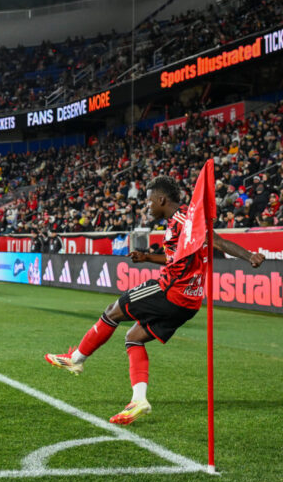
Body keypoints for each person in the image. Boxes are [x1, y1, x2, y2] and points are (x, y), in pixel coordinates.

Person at [45, 176, 265, 425]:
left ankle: (77, 360)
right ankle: (139, 400)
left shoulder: (184, 219)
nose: (147, 206)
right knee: (134, 338)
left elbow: (217, 241)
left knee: (112, 311)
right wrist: (147, 257)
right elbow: (176, 259)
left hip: (170, 291)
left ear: (161, 199)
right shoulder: (177, 222)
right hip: (188, 303)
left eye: (149, 201)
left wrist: (249, 256)